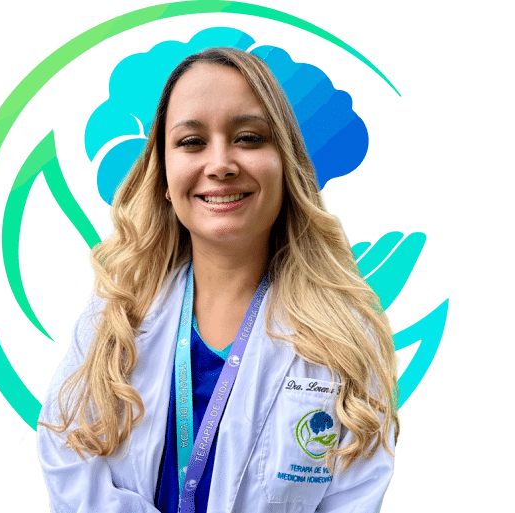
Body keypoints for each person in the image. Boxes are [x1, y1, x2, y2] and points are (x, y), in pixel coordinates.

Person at [37, 47, 399, 513]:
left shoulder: (347, 338)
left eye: (248, 138)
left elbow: (354, 498)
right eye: (191, 142)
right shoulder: (116, 314)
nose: (221, 163)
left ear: (285, 164)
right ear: (163, 177)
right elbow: (67, 458)